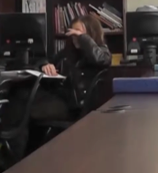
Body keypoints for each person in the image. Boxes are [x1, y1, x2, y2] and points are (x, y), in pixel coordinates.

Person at [1, 15, 111, 158]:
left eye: (78, 32)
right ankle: (16, 153)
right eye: (73, 32)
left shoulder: (100, 50)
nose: (74, 36)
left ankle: (11, 156)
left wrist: (83, 38)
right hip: (60, 98)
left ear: (90, 33)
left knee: (22, 106)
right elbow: (47, 59)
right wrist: (45, 65)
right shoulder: (68, 53)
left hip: (74, 106)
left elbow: (103, 59)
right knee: (19, 94)